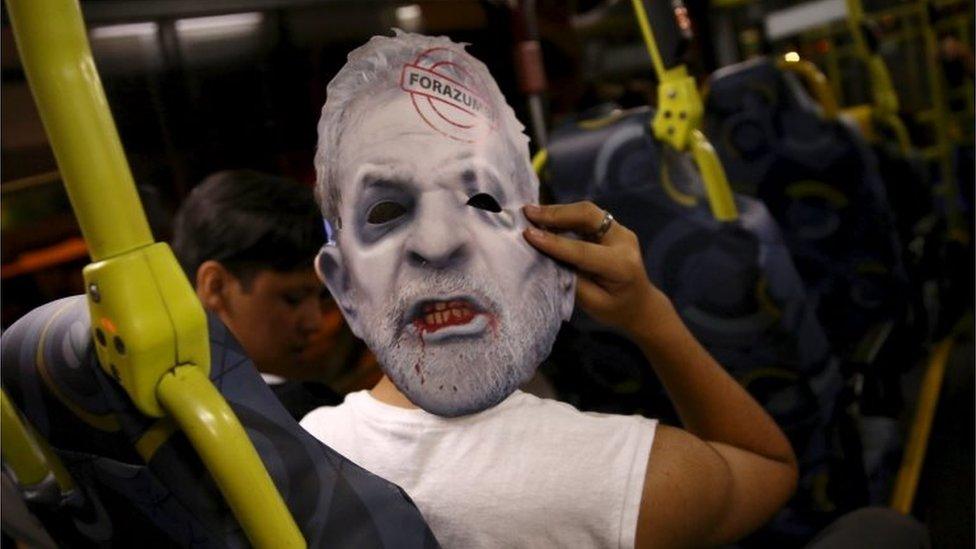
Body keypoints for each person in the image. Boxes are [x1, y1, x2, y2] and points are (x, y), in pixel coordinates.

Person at [301, 31, 798, 547]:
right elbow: (769, 465)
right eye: (387, 212)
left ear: (547, 256)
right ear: (343, 286)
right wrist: (649, 314)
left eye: (483, 201)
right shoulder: (624, 481)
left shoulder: (299, 455)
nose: (437, 241)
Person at [172, 169, 357, 418]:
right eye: (292, 299)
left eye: (321, 296)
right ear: (215, 286)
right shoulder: (305, 417)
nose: (314, 323)